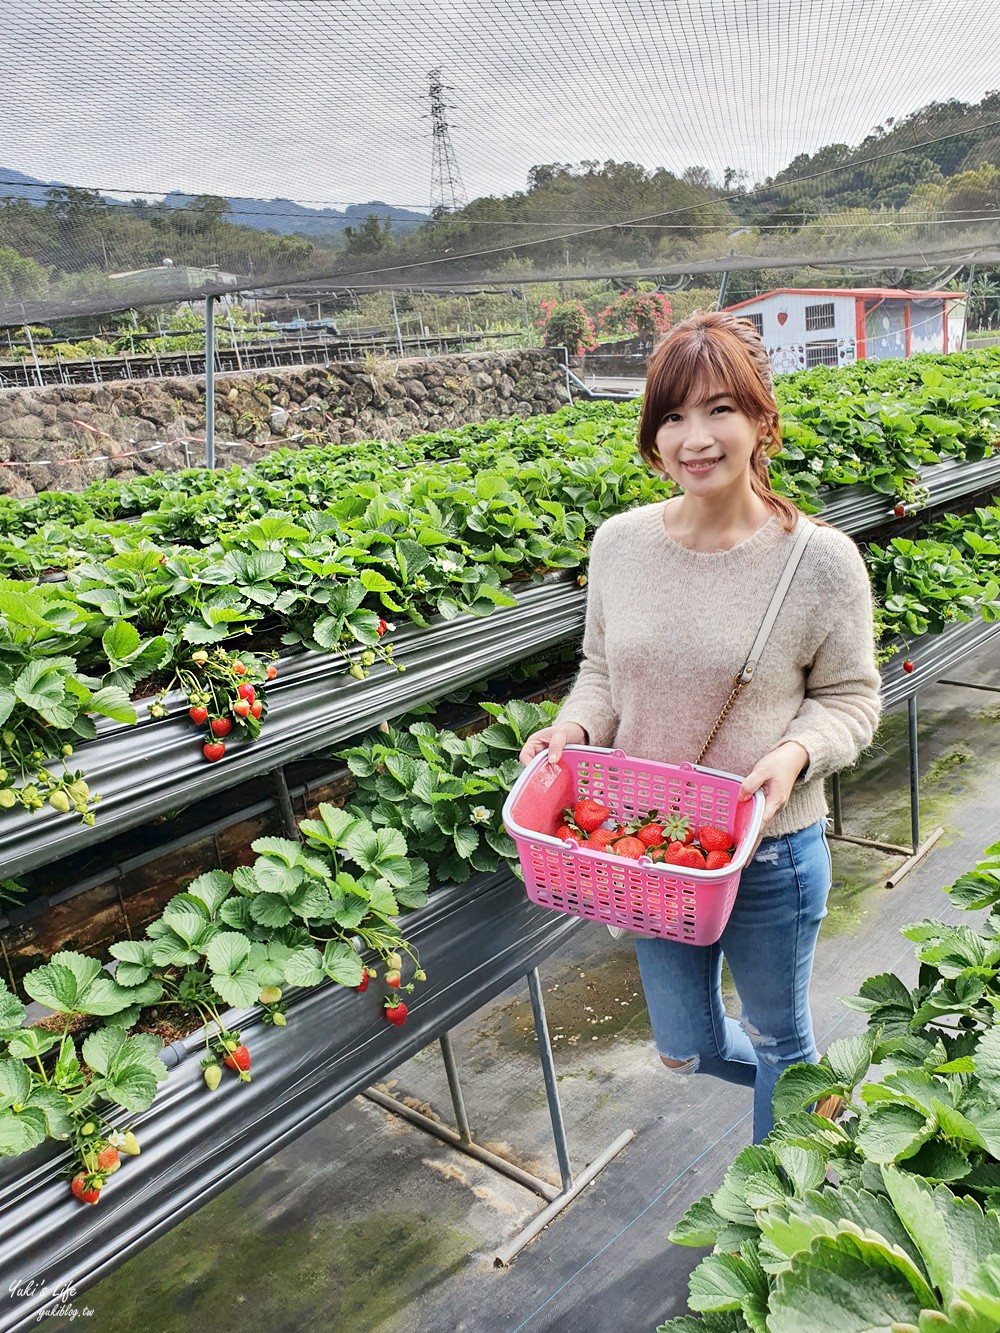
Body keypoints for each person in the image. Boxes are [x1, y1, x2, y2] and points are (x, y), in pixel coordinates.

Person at [518, 310, 882, 1143]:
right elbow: (602, 673)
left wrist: (795, 752)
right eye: (673, 415)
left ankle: (774, 1213)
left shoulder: (820, 561)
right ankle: (818, 1105)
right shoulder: (620, 545)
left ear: (762, 421)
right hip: (649, 850)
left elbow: (853, 699)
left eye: (720, 408)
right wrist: (570, 732)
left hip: (768, 848)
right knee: (683, 1047)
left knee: (778, 1036)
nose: (696, 436)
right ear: (653, 436)